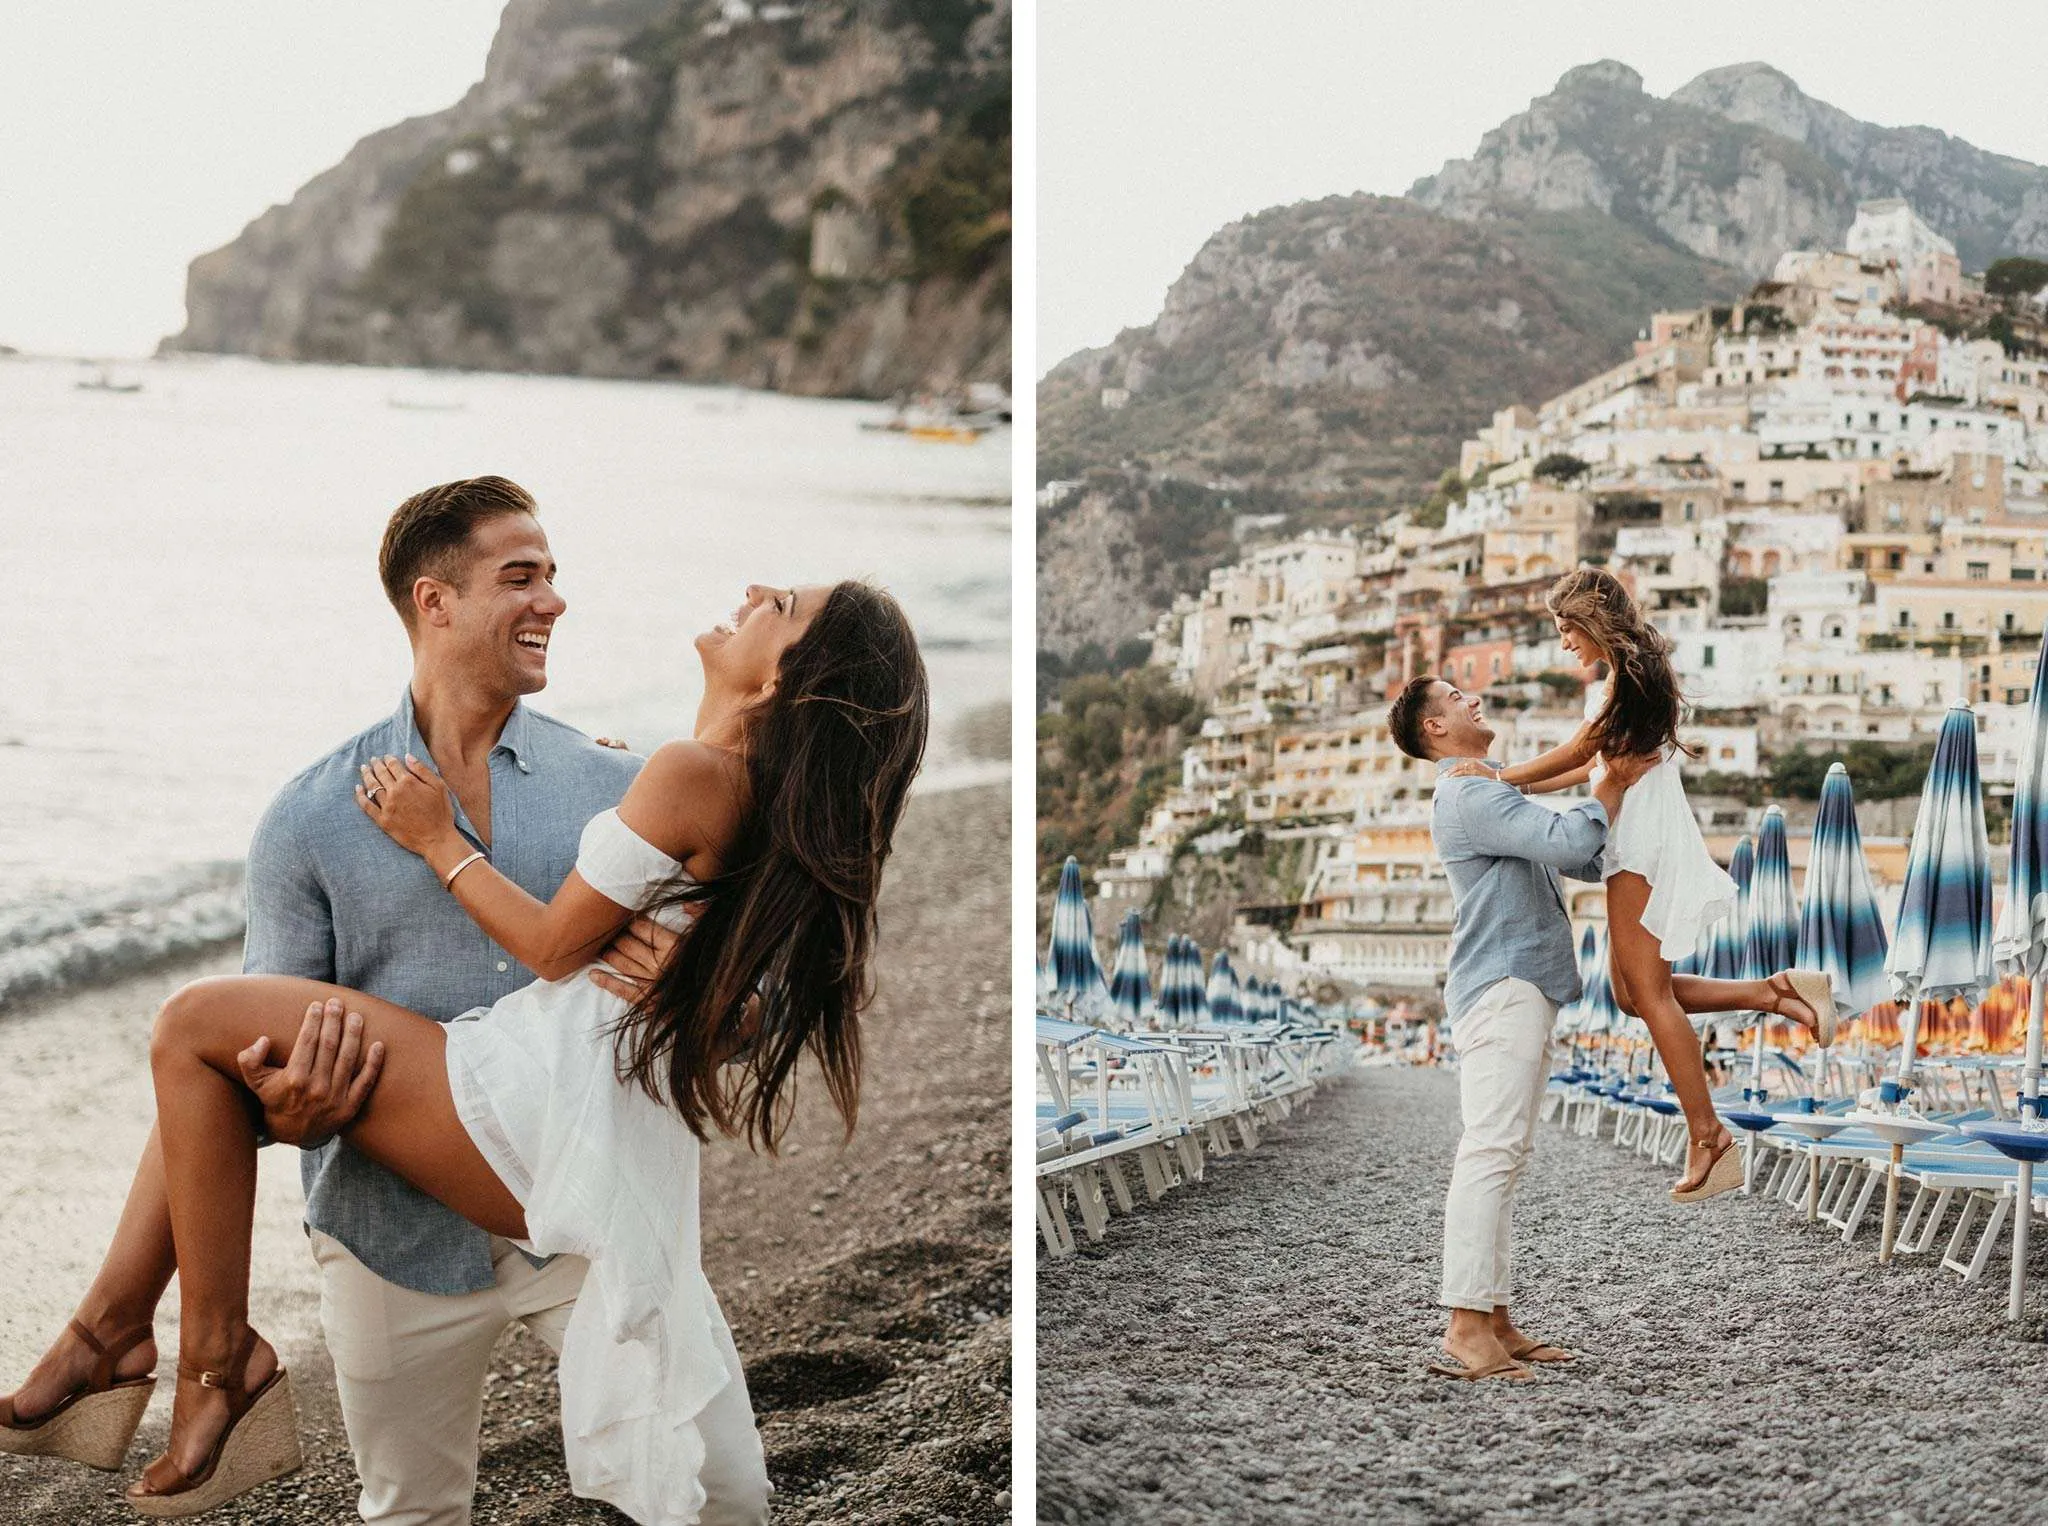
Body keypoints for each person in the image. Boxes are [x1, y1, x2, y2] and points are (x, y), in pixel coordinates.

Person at [3, 478, 931, 1523]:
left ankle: (178, 1350)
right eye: (521, 576)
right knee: (422, 1505)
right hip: (398, 1218)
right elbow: (242, 1089)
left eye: (553, 575)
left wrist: (720, 998)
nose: (555, 602)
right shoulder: (311, 814)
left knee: (187, 1023)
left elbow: (732, 961)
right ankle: (137, 1338)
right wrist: (287, 1109)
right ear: (433, 600)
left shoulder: (613, 779)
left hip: (557, 1154)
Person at [1465, 566, 1837, 1202]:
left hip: (1642, 845)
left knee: (1648, 994)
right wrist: (1513, 783)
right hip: (1635, 844)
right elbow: (1586, 766)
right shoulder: (1632, 676)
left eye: (1565, 629)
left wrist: (1498, 778)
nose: (1563, 644)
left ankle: (1709, 1136)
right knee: (1635, 997)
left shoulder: (1631, 679)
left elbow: (1583, 750)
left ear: (1591, 620)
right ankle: (1778, 992)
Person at [1388, 675, 1645, 1382]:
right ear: (1434, 728)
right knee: (1491, 1150)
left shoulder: (1485, 784)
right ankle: (1465, 1327)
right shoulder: (1471, 794)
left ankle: (1494, 1317)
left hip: (1516, 982)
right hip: (1503, 984)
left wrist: (1607, 750)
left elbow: (1561, 779)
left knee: (1508, 1152)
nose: (1474, 701)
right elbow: (1569, 843)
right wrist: (1612, 787)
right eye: (1456, 699)